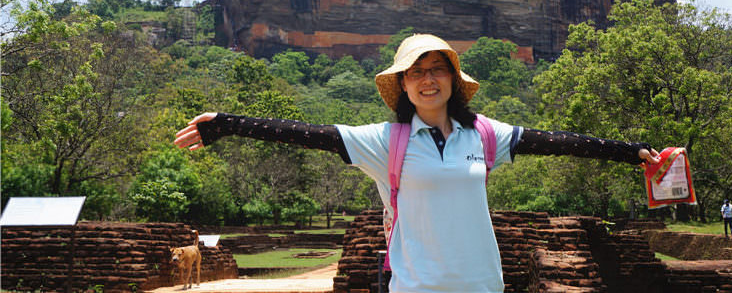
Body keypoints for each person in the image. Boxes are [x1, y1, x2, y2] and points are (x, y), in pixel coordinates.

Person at [174, 33, 660, 293]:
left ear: (453, 79)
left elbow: (558, 142)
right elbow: (306, 134)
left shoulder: (484, 133)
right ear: (403, 85)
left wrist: (628, 151)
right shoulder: (384, 141)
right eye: (417, 72)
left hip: (482, 285)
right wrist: (226, 124)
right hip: (416, 287)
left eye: (437, 70)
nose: (428, 80)